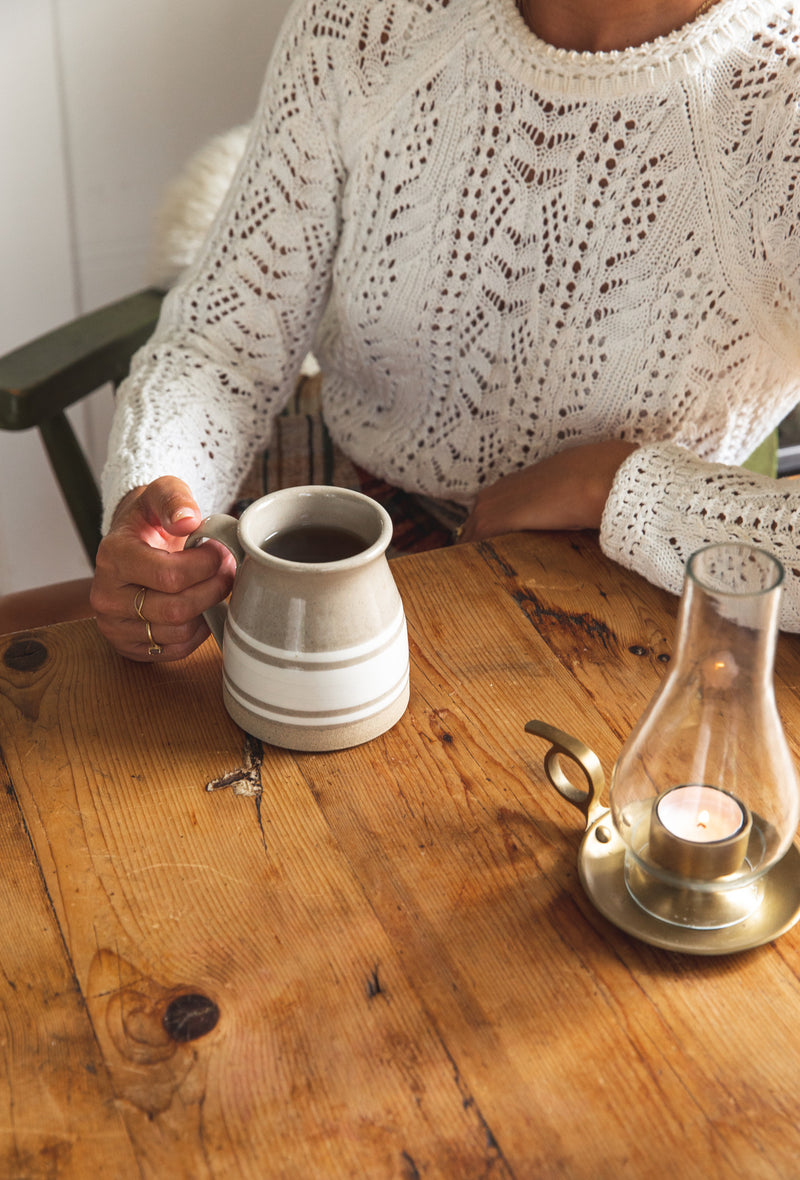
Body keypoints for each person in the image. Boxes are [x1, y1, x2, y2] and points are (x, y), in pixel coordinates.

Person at [92, 0, 800, 661]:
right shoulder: (362, 22)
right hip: (339, 498)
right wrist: (153, 500)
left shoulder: (781, 95)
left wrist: (617, 487)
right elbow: (220, 343)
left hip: (616, 576)